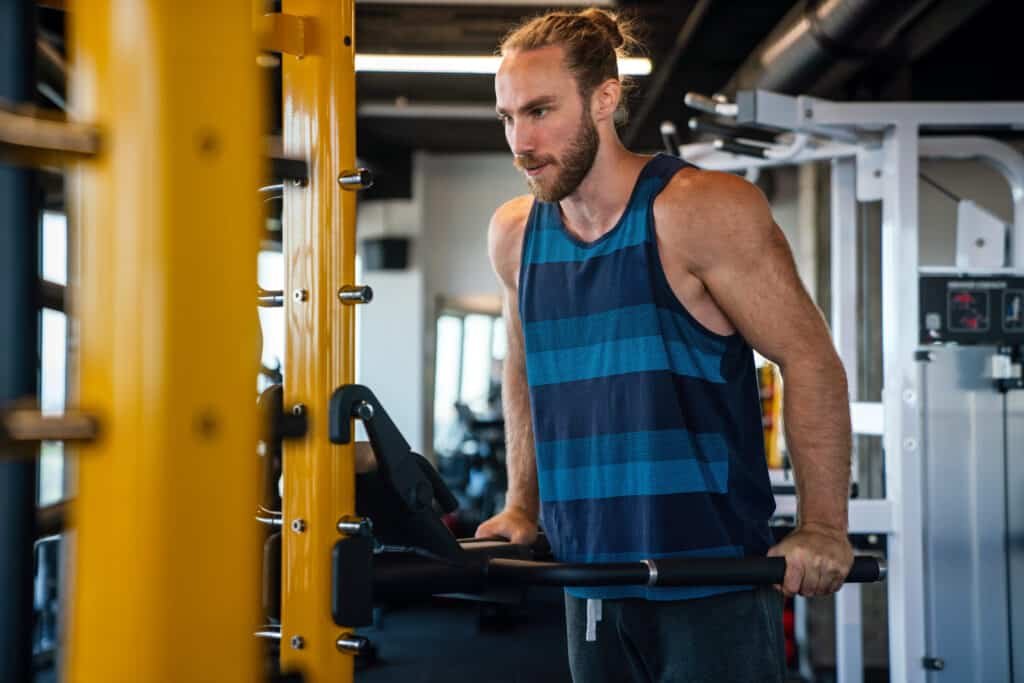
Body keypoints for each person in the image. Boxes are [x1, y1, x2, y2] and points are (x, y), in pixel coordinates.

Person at [474, 8, 854, 682]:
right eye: (507, 117)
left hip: (713, 576)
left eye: (539, 111)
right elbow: (525, 369)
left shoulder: (701, 211)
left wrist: (824, 526)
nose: (520, 141)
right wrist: (520, 503)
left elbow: (810, 358)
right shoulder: (515, 235)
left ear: (605, 99)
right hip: (587, 577)